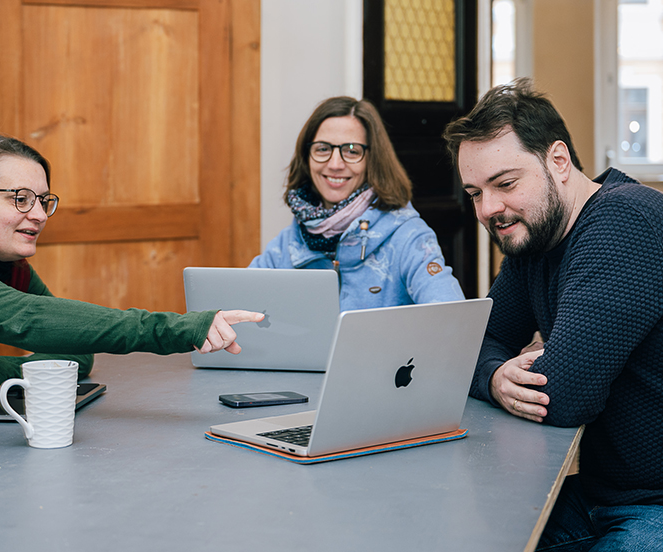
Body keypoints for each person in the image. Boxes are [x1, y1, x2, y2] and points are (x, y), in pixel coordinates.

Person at [0, 134, 262, 407]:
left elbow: (74, 350)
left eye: (43, 200)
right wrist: (183, 327)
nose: (37, 215)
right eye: (19, 199)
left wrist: (9, 367)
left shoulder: (6, 268)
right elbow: (28, 319)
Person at [443, 78, 663, 551]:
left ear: (558, 161)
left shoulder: (623, 221)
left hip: (653, 504)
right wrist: (498, 375)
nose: (489, 209)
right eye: (475, 192)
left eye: (505, 184)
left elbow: (560, 396)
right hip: (604, 496)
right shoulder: (535, 240)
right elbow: (472, 343)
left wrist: (498, 372)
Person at [250, 96, 463, 311]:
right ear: (306, 157)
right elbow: (235, 303)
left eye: (352, 151)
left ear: (373, 160)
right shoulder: (288, 242)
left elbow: (453, 319)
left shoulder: (408, 237)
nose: (335, 164)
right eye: (322, 149)